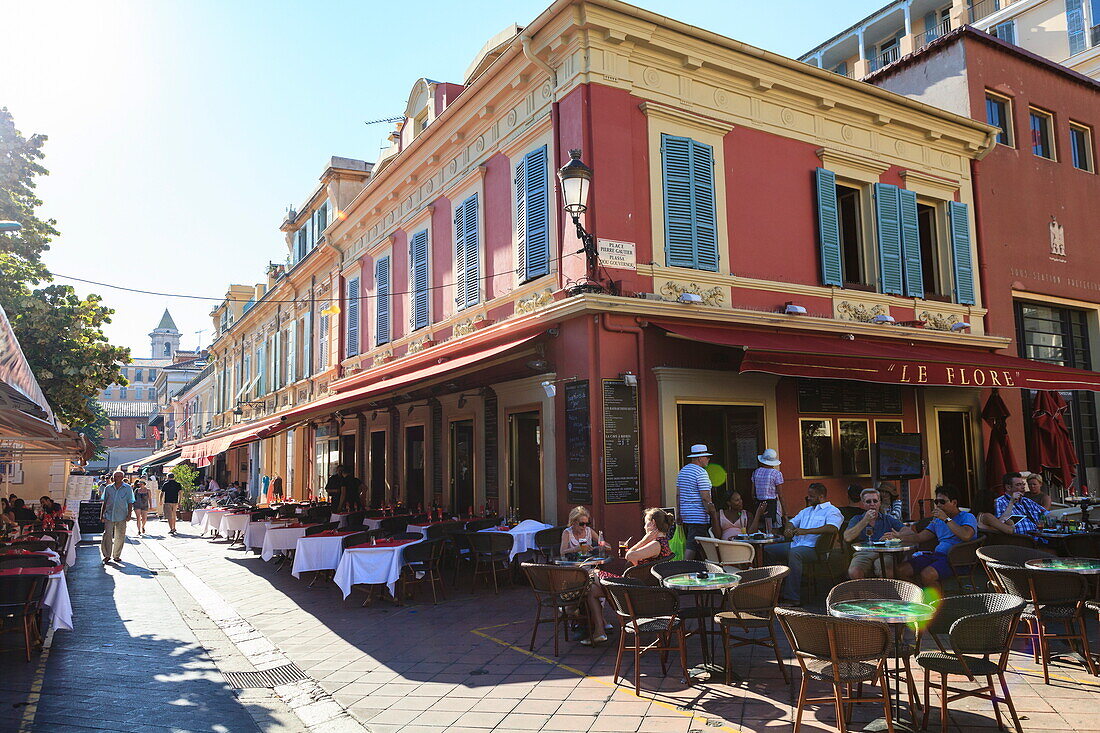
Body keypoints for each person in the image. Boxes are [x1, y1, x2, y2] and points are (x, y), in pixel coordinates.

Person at [582, 507, 674, 645]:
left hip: (635, 591)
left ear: (653, 523)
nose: (644, 526)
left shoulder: (655, 544)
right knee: (592, 591)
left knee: (592, 573)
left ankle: (574, 611)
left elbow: (629, 555)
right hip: (638, 587)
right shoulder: (663, 542)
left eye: (645, 523)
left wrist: (643, 540)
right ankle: (600, 631)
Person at [763, 483, 843, 606]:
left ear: (821, 497)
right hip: (796, 544)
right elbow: (792, 522)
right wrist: (788, 529)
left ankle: (792, 597)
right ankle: (772, 590)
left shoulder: (832, 511)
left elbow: (832, 528)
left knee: (795, 554)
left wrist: (806, 531)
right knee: (768, 550)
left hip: (815, 549)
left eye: (811, 496)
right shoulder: (806, 511)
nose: (808, 498)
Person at [886, 485, 977, 587]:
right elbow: (920, 537)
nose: (938, 505)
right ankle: (919, 596)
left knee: (927, 575)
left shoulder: (967, 517)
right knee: (900, 570)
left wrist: (946, 519)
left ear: (954, 503)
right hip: (937, 556)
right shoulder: (938, 520)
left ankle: (938, 602)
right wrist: (899, 537)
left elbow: (966, 535)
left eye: (942, 502)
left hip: (957, 560)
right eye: (936, 502)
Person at [844, 488, 903, 579]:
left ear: (879, 503)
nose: (872, 504)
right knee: (854, 572)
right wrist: (865, 520)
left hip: (885, 552)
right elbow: (847, 537)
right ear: (863, 504)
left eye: (875, 501)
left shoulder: (887, 519)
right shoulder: (857, 519)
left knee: (887, 572)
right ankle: (864, 593)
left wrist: (898, 535)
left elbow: (909, 532)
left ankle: (883, 592)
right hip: (863, 552)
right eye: (868, 502)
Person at [676, 444, 719, 561]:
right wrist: (711, 511)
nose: (708, 459)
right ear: (700, 458)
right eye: (706, 457)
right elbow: (705, 496)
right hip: (698, 515)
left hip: (686, 515)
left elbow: (678, 495)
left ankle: (706, 568)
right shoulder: (701, 472)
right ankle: (684, 569)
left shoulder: (682, 471)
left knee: (700, 546)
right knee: (692, 546)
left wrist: (679, 514)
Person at [100, 470, 135, 564]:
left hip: (122, 515)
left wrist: (129, 515)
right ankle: (107, 555)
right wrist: (101, 515)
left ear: (122, 477)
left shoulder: (127, 488)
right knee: (107, 535)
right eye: (116, 476)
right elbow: (105, 501)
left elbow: (130, 502)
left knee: (120, 536)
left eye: (119, 476)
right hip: (109, 514)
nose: (117, 478)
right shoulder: (108, 488)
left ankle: (116, 555)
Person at [751, 448, 784, 531]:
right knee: (774, 532)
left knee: (761, 531)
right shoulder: (776, 474)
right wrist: (785, 513)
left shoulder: (756, 472)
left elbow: (752, 493)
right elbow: (780, 495)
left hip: (760, 505)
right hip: (773, 505)